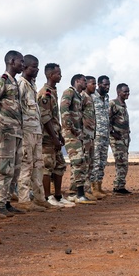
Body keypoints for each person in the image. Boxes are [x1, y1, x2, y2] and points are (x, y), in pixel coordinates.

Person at [0, 51, 25, 216]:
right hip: (4, 131)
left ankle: (8, 202)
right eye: (20, 61)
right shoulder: (1, 81)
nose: (22, 64)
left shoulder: (15, 82)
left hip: (16, 132)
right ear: (11, 61)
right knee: (4, 169)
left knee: (15, 169)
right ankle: (0, 205)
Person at [16, 55, 53, 210]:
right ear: (25, 67)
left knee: (38, 165)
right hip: (26, 132)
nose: (37, 70)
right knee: (25, 166)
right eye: (34, 67)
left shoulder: (32, 86)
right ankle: (24, 200)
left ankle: (39, 198)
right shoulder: (21, 85)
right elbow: (16, 108)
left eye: (38, 67)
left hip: (36, 132)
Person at [39, 64, 72, 207]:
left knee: (59, 165)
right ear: (50, 75)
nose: (60, 76)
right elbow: (45, 117)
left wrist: (59, 135)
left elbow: (53, 118)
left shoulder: (53, 92)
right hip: (47, 137)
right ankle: (47, 197)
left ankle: (58, 195)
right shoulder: (45, 93)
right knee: (47, 166)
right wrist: (53, 137)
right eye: (58, 74)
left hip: (55, 134)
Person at [61, 74, 96, 204]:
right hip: (71, 133)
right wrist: (71, 127)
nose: (86, 83)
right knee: (78, 160)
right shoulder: (69, 92)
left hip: (77, 133)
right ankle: (79, 194)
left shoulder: (78, 96)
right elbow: (64, 108)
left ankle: (76, 193)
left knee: (80, 161)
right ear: (77, 81)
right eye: (84, 81)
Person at [89, 75, 111, 198]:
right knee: (95, 161)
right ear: (98, 84)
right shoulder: (92, 97)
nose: (107, 87)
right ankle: (93, 188)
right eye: (105, 85)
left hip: (105, 135)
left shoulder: (106, 98)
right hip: (96, 135)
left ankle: (99, 186)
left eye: (108, 85)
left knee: (102, 162)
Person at [109, 83, 131, 194]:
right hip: (116, 138)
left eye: (128, 91)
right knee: (121, 162)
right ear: (119, 92)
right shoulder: (113, 104)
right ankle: (118, 186)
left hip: (125, 138)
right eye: (125, 92)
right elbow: (107, 120)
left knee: (123, 162)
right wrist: (112, 132)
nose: (127, 94)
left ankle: (120, 186)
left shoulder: (123, 105)